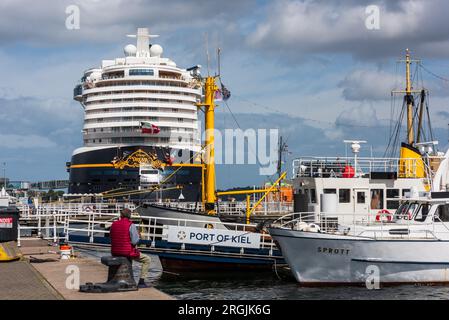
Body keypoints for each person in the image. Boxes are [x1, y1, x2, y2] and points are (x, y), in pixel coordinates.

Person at [110, 208, 151, 288]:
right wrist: (138, 236)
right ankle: (141, 282)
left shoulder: (114, 224)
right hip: (127, 252)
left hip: (114, 251)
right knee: (147, 260)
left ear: (121, 215)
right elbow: (135, 241)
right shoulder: (131, 225)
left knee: (129, 260)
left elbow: (111, 236)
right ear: (129, 216)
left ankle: (128, 279)